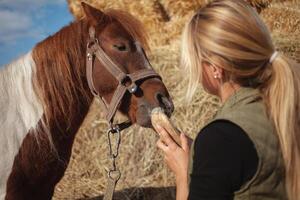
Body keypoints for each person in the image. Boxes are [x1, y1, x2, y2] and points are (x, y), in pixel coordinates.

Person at [154, 0, 300, 200]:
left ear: (215, 68)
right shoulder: (288, 103)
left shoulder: (221, 138)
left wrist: (183, 174)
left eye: (195, 60)